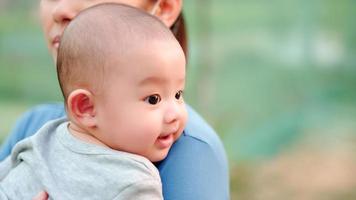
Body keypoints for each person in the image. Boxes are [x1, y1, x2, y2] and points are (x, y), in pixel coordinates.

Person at [0, 0, 230, 199]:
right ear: (84, 107)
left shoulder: (190, 155)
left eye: (178, 95)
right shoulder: (34, 129)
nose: (60, 9)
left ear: (164, 7)